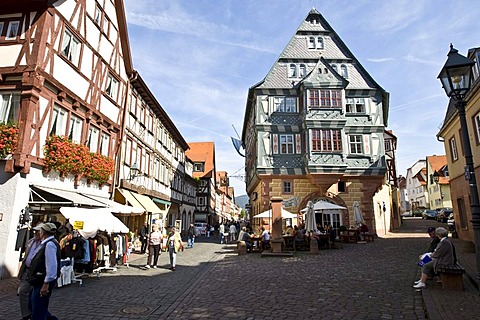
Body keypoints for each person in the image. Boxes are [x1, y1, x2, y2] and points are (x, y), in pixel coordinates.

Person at [28, 222, 60, 320]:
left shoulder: (49, 244)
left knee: (38, 308)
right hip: (40, 279)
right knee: (34, 304)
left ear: (43, 232)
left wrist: (46, 283)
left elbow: (51, 265)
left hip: (42, 280)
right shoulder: (50, 242)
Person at [18, 224, 42, 320]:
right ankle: (26, 315)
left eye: (38, 231)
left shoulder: (45, 244)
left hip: (37, 273)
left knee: (35, 296)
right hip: (27, 271)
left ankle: (37, 315)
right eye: (35, 231)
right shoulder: (31, 242)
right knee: (23, 292)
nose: (36, 233)